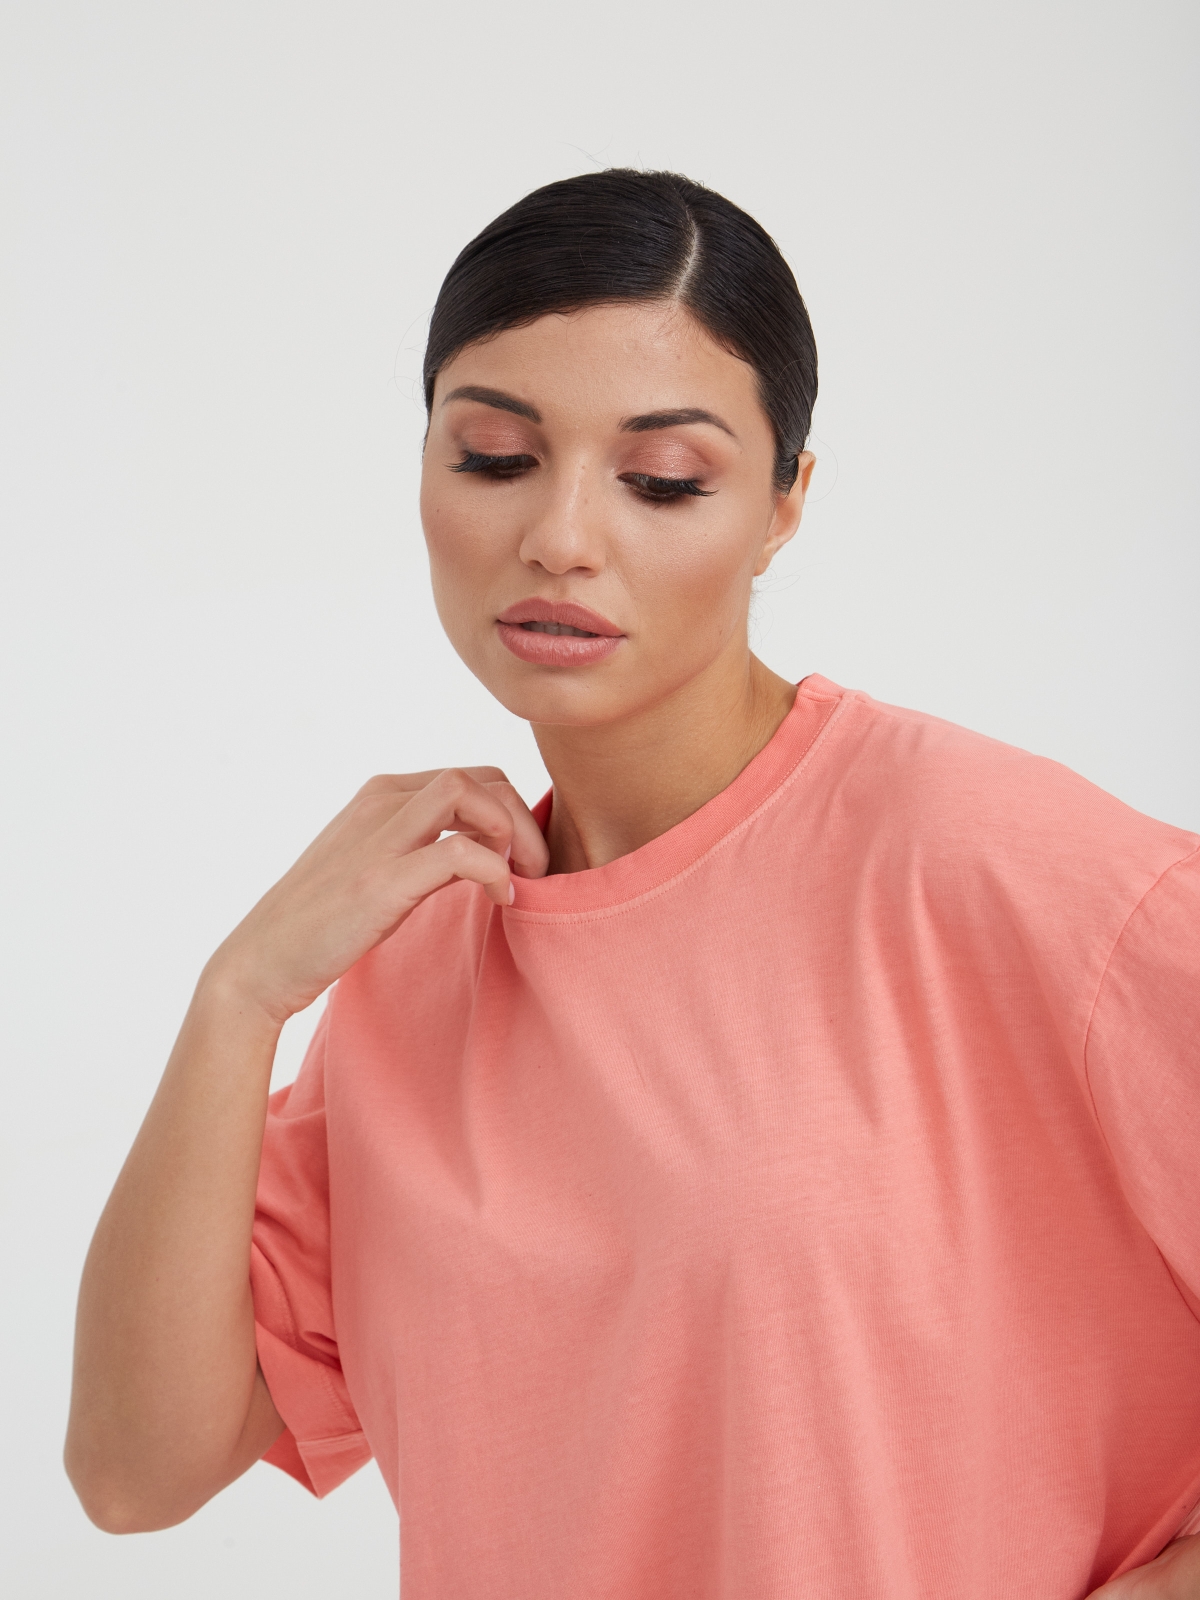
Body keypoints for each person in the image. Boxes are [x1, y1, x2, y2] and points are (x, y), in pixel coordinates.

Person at [65, 170, 1199, 1600]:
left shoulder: (1012, 873)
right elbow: (134, 1470)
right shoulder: (423, 959)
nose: (560, 536)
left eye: (661, 479)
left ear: (784, 506)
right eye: (494, 457)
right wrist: (239, 998)